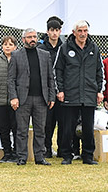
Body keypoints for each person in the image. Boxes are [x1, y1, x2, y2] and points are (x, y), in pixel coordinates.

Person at [54, 20, 103, 165]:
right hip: (70, 94)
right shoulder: (64, 48)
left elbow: (100, 71)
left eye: (85, 31)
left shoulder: (94, 48)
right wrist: (60, 90)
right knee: (68, 128)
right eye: (80, 31)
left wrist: (99, 90)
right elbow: (57, 71)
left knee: (88, 127)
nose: (83, 34)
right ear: (74, 32)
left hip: (89, 93)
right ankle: (67, 155)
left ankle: (88, 155)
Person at [8, 28, 56, 165]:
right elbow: (11, 79)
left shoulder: (45, 55)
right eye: (29, 37)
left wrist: (51, 97)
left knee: (40, 129)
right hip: (23, 99)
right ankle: (22, 157)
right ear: (23, 40)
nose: (32, 39)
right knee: (22, 130)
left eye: (34, 36)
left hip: (41, 98)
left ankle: (40, 157)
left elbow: (50, 78)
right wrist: (13, 97)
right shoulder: (16, 55)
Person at [41, 16, 64, 158]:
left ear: (60, 31)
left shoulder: (65, 47)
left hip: (61, 91)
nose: (54, 33)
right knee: (47, 123)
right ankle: (47, 149)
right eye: (52, 30)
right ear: (47, 31)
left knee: (62, 122)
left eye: (57, 30)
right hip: (46, 91)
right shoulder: (41, 48)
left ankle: (62, 149)